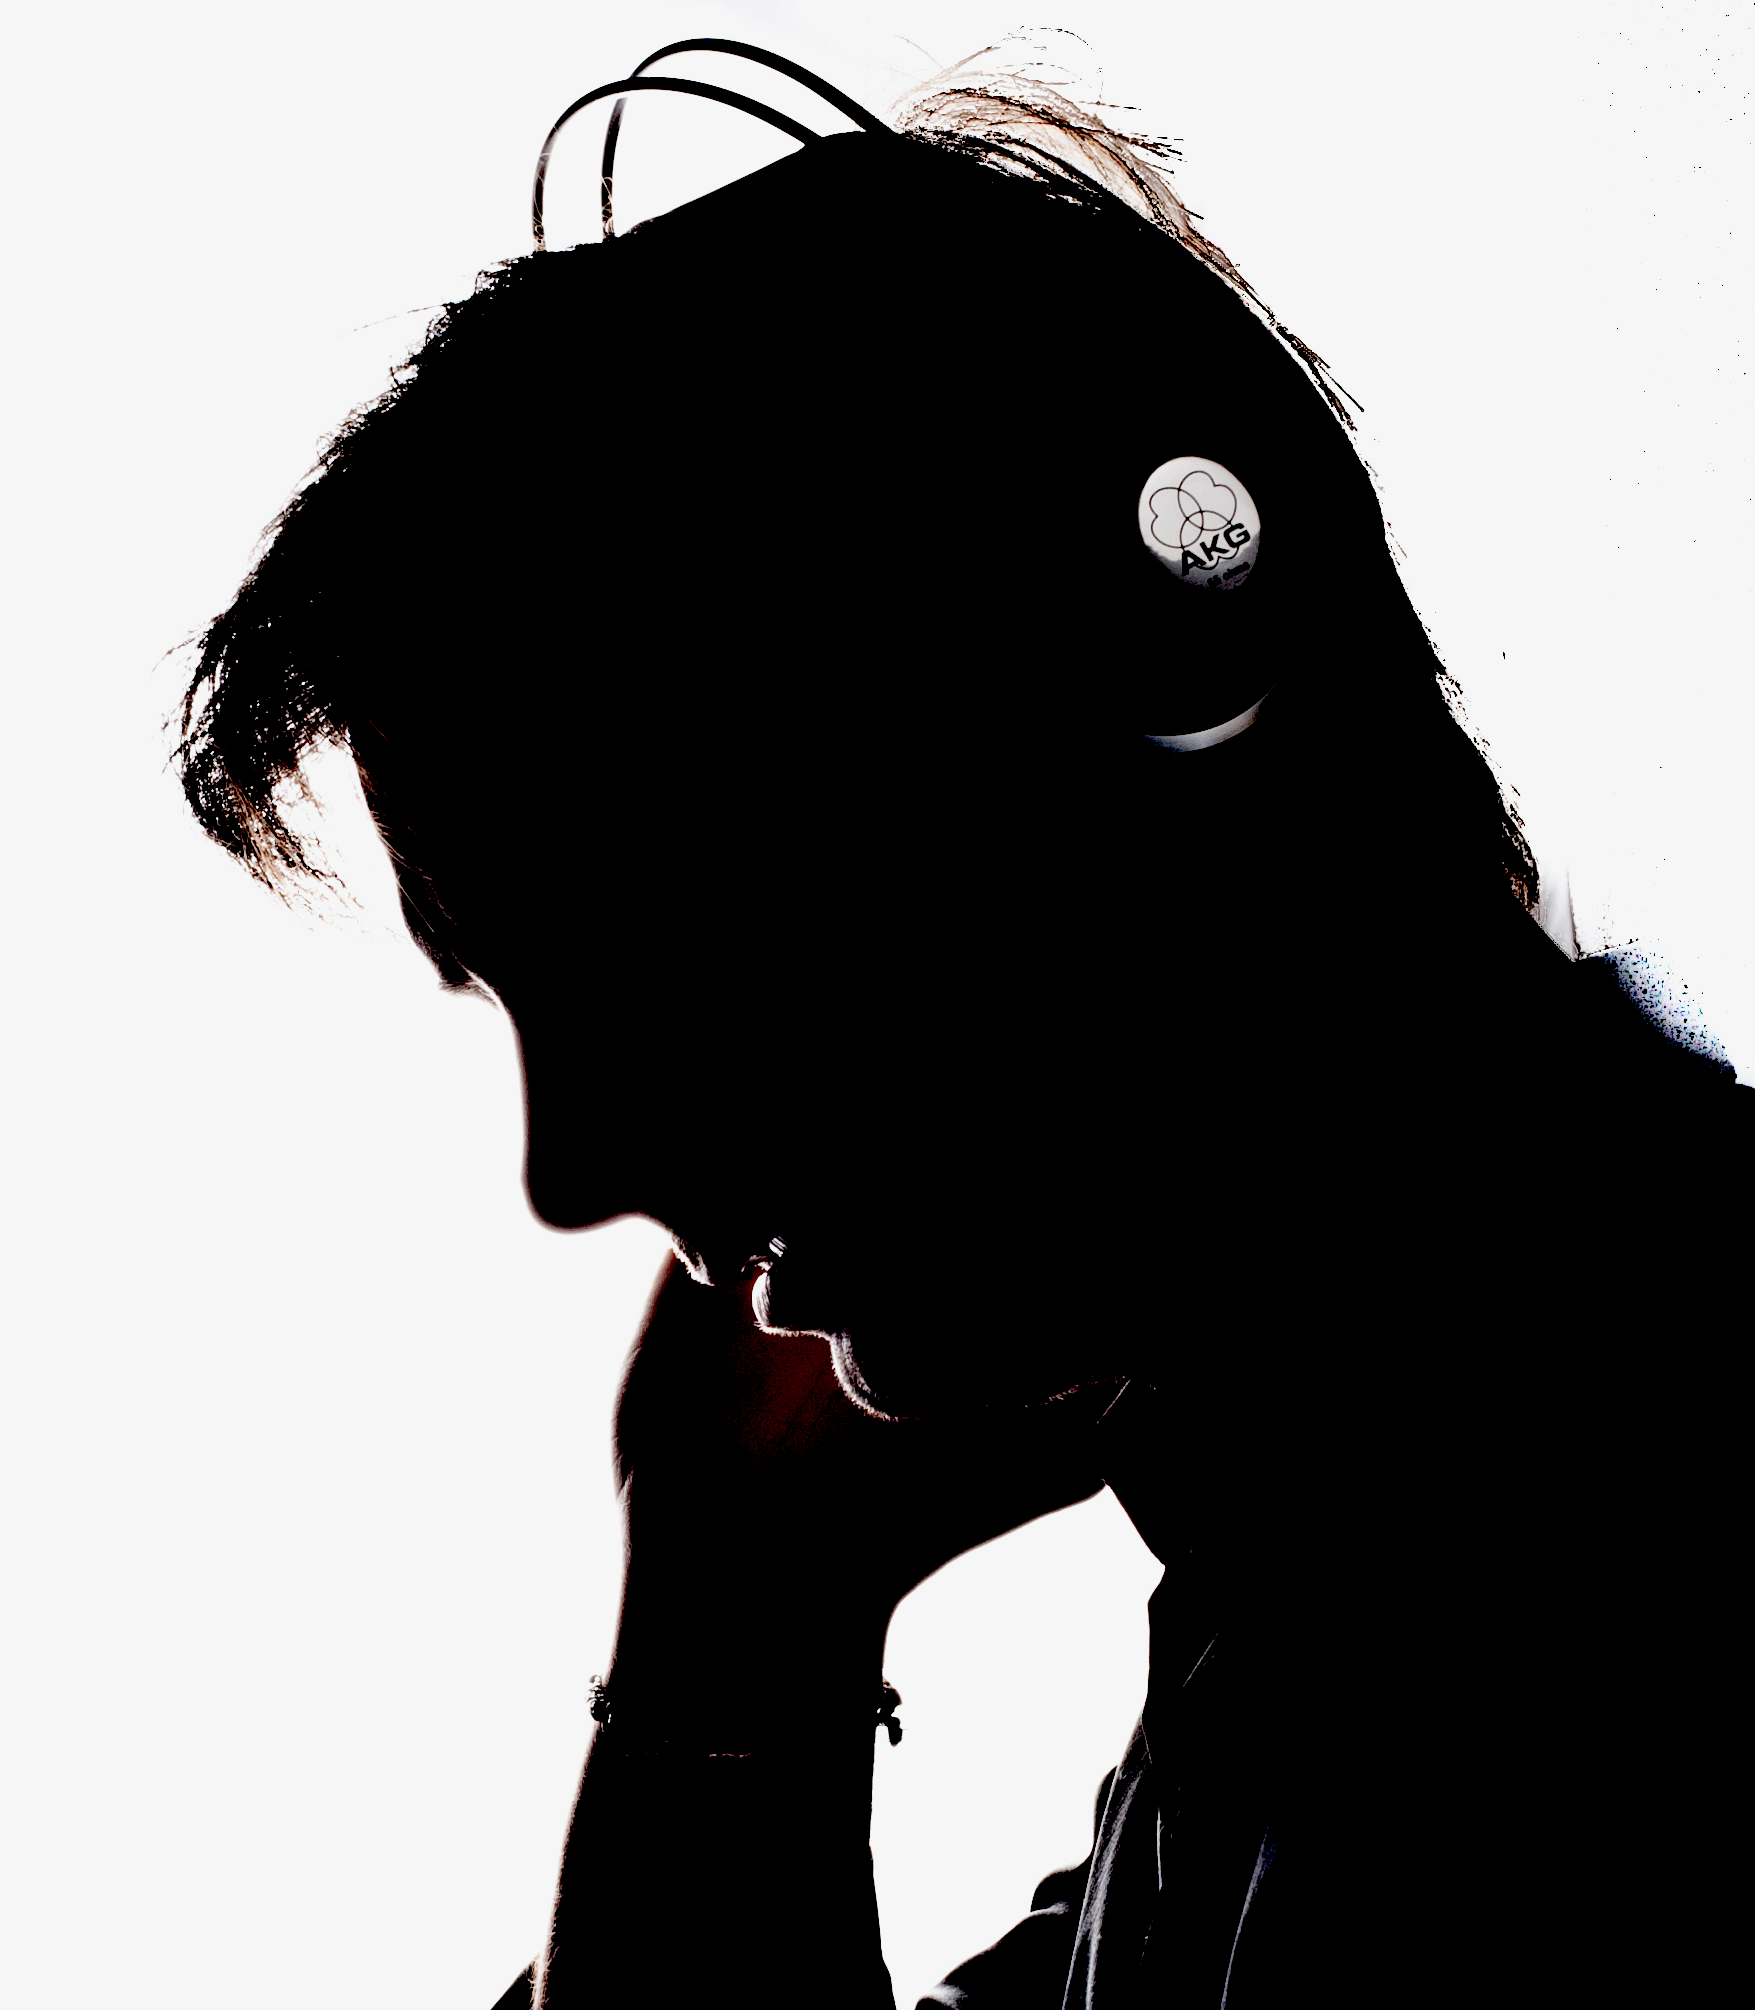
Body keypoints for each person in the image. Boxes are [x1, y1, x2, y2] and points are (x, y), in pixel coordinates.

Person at [173, 48, 1748, 2010]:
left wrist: (727, 1650)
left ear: (1093, 759)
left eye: (641, 943)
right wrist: (738, 1611)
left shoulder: (1597, 1630)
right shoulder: (1317, 1651)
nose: (577, 1164)